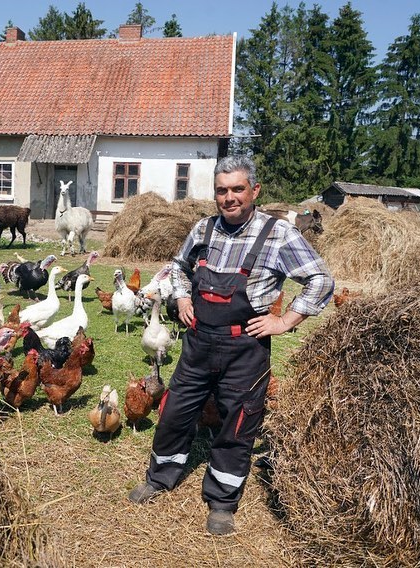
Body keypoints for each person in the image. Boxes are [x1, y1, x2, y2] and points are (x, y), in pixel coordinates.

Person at [128, 155, 334, 535]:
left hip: (246, 348)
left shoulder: (280, 234)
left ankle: (222, 501)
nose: (229, 197)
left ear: (254, 191)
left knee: (238, 424)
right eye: (222, 190)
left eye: (238, 189)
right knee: (175, 411)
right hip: (199, 342)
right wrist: (184, 297)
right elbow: (178, 267)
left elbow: (320, 280)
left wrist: (286, 320)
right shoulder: (203, 229)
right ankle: (160, 477)